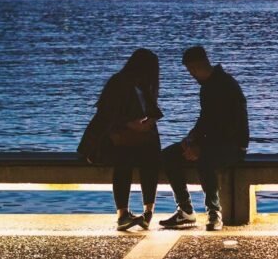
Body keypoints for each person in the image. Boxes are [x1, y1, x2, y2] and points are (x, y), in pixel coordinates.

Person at [159, 46, 249, 231]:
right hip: (212, 142)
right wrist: (191, 139)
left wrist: (200, 148)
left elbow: (230, 128)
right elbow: (206, 120)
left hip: (233, 146)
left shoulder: (225, 86)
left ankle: (214, 212)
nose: (191, 75)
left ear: (197, 66)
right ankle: (185, 210)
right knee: (168, 155)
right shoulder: (208, 87)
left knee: (204, 160)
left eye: (191, 70)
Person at [78, 49, 163, 231]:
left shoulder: (142, 86)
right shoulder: (119, 83)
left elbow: (153, 111)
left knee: (151, 157)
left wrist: (149, 122)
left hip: (131, 139)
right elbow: (108, 117)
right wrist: (133, 125)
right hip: (109, 140)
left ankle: (148, 211)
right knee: (125, 159)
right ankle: (122, 214)